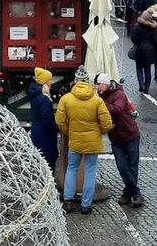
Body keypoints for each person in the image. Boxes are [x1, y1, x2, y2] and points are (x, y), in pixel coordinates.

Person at [56, 67, 113, 214]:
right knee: (90, 171)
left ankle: (68, 201)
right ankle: (86, 205)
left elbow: (60, 121)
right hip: (93, 142)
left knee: (72, 169)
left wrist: (69, 131)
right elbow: (107, 123)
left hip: (75, 141)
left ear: (74, 81)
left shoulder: (66, 99)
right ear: (88, 82)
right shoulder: (97, 100)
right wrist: (99, 132)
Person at [97, 73, 143, 207]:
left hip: (130, 134)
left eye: (99, 84)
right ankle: (135, 193)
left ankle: (128, 194)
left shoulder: (119, 94)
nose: (97, 87)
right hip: (116, 137)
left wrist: (100, 102)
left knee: (132, 166)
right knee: (122, 166)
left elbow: (116, 110)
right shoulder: (102, 96)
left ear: (105, 84)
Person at [27, 68, 58, 177]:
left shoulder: (34, 95)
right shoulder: (44, 99)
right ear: (45, 81)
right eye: (50, 79)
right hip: (46, 137)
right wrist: (56, 129)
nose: (52, 82)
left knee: (39, 165)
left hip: (37, 133)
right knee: (49, 165)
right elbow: (47, 119)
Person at [130, 8, 157, 93]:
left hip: (139, 49)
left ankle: (141, 84)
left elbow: (133, 38)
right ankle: (147, 86)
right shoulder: (153, 28)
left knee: (139, 67)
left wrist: (137, 44)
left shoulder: (137, 26)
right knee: (147, 68)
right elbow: (156, 40)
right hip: (150, 50)